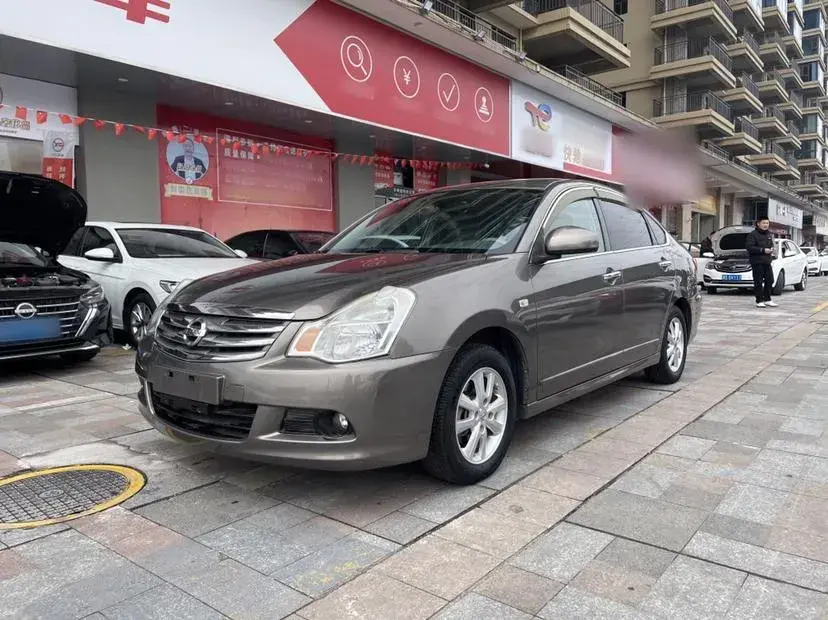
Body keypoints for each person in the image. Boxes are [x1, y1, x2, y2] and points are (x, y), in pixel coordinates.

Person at [745, 217, 777, 308]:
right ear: (758, 224)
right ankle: (759, 300)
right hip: (757, 261)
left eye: (767, 223)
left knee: (770, 280)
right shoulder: (752, 235)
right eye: (763, 223)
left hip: (767, 261)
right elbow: (749, 247)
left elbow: (771, 245)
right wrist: (762, 250)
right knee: (758, 281)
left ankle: (767, 299)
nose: (766, 225)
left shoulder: (769, 234)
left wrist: (772, 249)